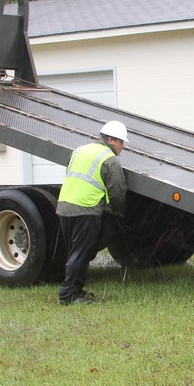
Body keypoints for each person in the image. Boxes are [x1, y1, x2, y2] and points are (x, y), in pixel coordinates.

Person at [56, 120, 129, 305]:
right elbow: (117, 191)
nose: (123, 146)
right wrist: (119, 209)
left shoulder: (79, 150)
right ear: (111, 139)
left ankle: (75, 290)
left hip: (65, 206)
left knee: (75, 252)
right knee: (81, 253)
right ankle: (68, 295)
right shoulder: (110, 159)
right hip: (85, 209)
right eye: (121, 142)